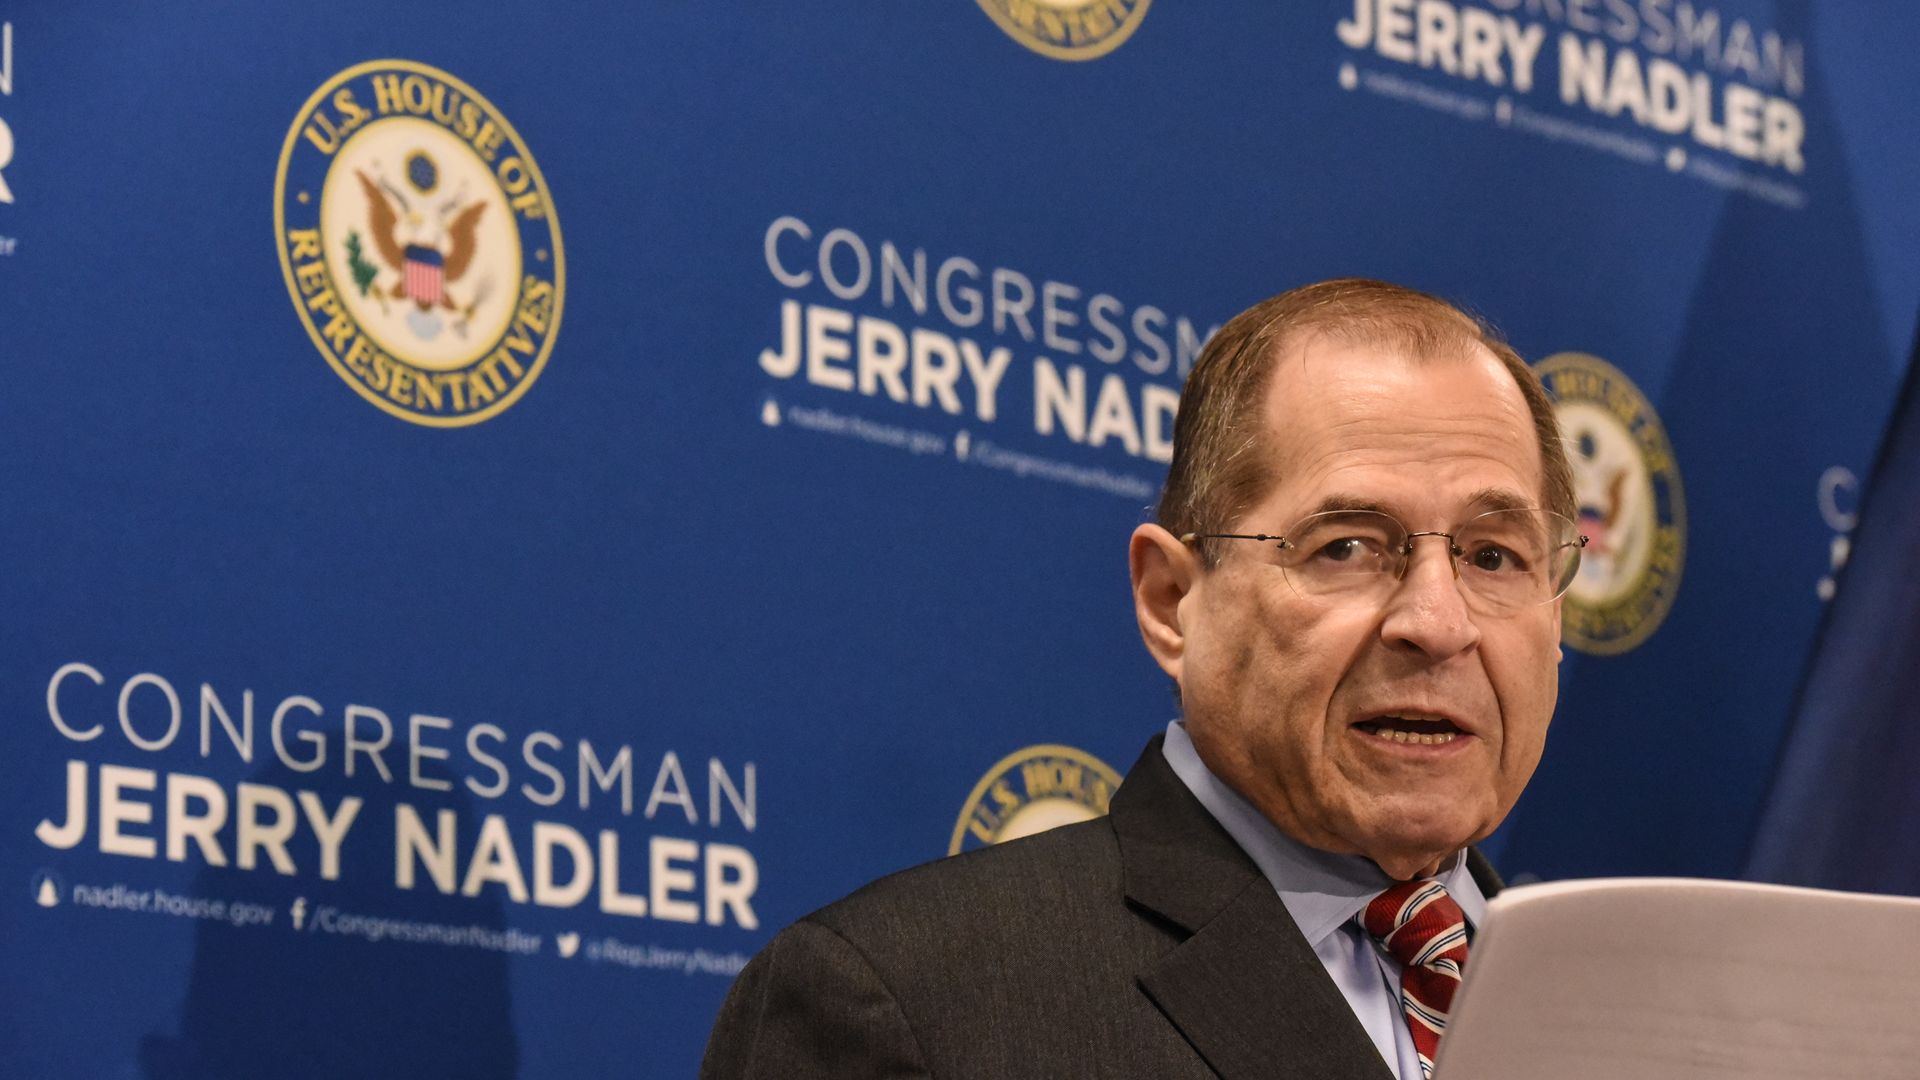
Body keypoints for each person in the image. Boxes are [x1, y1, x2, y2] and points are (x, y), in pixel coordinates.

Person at [701, 279, 1580, 1079]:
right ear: (1172, 601)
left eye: (1494, 556)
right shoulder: (908, 1004)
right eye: (1347, 547)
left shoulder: (1638, 1013)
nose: (1438, 623)